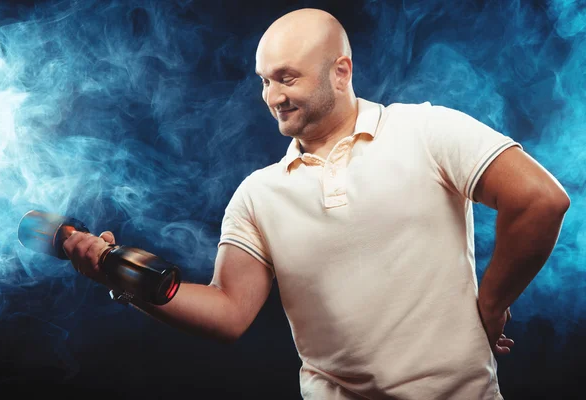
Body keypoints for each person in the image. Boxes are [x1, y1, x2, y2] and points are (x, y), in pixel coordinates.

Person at [63, 8, 570, 400]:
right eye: (264, 80)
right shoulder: (258, 194)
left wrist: (493, 303)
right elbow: (228, 313)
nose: (272, 96)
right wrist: (118, 276)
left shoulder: (426, 130)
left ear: (341, 71)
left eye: (287, 77)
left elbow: (539, 200)